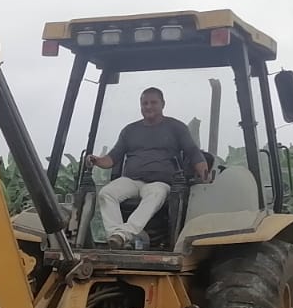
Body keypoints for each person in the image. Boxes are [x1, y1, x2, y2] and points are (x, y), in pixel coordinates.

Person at [87, 87, 211, 249]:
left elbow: (192, 151)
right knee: (107, 193)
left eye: (153, 102)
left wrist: (204, 171)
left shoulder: (176, 127)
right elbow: (112, 158)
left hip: (160, 182)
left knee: (156, 194)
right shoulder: (130, 130)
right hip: (132, 181)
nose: (148, 106)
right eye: (145, 103)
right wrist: (96, 160)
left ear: (162, 104)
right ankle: (118, 237)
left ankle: (123, 235)